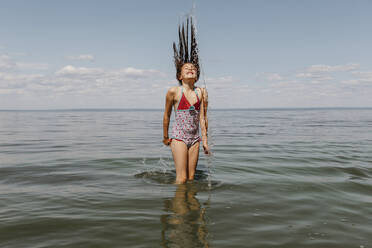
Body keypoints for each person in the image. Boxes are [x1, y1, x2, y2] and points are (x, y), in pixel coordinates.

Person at [163, 17, 210, 184]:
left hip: (195, 138)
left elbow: (203, 118)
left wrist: (204, 140)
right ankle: (178, 209)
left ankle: (190, 207)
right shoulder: (174, 92)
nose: (191, 69)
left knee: (191, 179)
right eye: (186, 68)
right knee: (181, 178)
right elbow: (167, 116)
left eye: (194, 68)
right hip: (179, 137)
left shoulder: (202, 92)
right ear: (179, 76)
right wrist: (165, 136)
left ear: (197, 75)